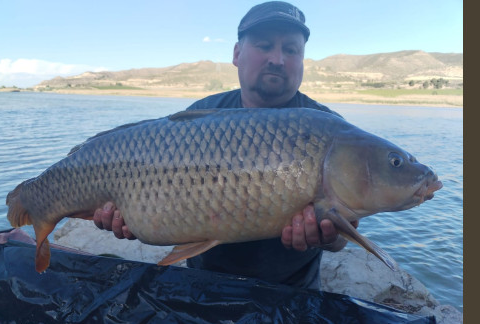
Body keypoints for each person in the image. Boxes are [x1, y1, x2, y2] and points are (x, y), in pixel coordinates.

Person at [93, 1, 357, 289]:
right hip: (204, 281)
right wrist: (131, 217)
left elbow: (342, 239)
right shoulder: (199, 117)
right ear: (237, 54)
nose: (278, 59)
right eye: (265, 45)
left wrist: (331, 236)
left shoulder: (328, 129)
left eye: (291, 50)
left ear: (302, 60)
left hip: (293, 288)